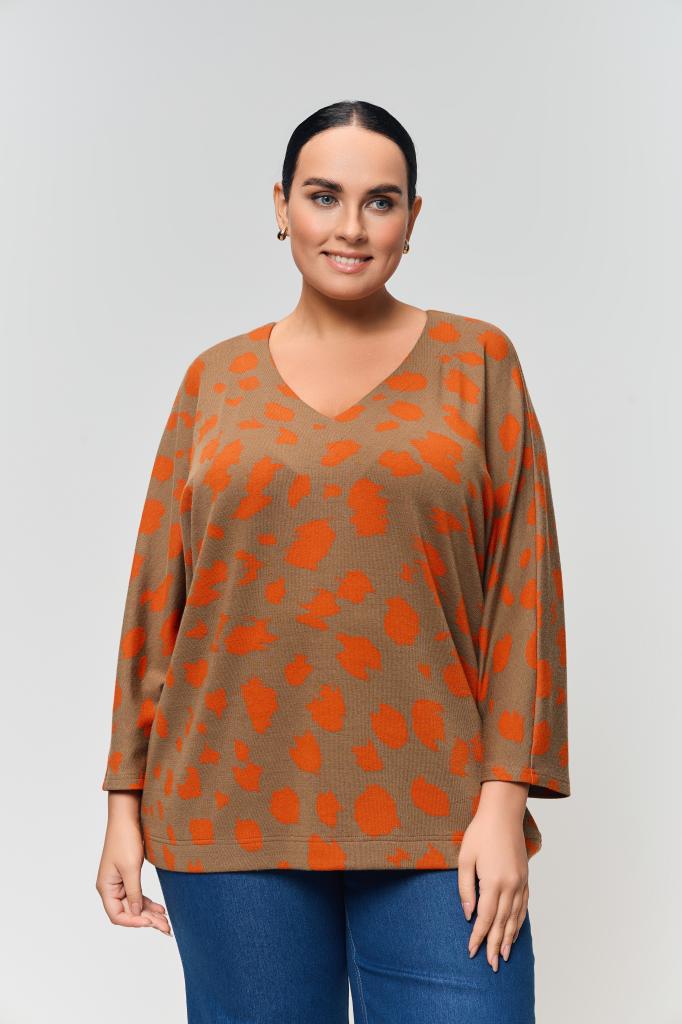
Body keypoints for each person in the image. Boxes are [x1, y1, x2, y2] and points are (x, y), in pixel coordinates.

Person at [96, 99, 571, 1023]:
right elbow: (158, 596)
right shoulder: (213, 381)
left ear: (412, 218)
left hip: (441, 816)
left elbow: (524, 593)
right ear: (281, 206)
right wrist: (123, 801)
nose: (351, 226)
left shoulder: (480, 363)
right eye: (323, 196)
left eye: (379, 202)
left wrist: (501, 802)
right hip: (226, 810)